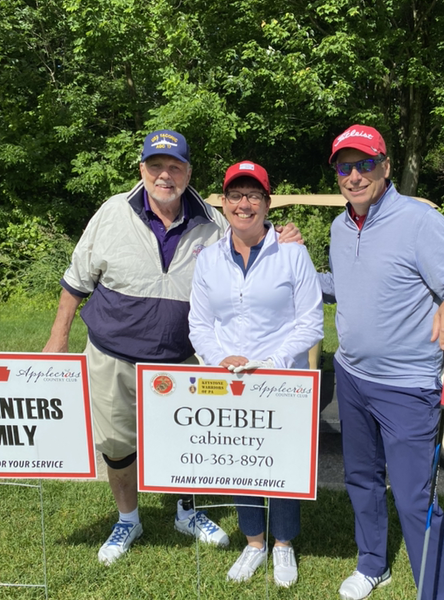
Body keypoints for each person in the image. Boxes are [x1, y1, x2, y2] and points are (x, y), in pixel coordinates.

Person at [43, 130, 302, 566]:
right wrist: (58, 337)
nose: (165, 175)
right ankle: (128, 518)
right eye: (156, 166)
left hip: (182, 359)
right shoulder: (112, 212)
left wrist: (283, 237)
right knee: (117, 444)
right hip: (112, 354)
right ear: (142, 169)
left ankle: (187, 510)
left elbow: (250, 236)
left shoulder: (212, 221)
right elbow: (76, 281)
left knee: (187, 443)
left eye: (175, 167)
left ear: (188, 172)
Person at [320, 125, 444, 600]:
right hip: (352, 376)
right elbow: (341, 284)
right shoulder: (339, 227)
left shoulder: (419, 221)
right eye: (345, 167)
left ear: (386, 167)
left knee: (416, 499)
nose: (355, 176)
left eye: (365, 164)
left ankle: (442, 594)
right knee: (361, 479)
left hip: (407, 386)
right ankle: (372, 564)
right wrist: (288, 269)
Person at [188, 161, 323, 588]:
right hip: (230, 380)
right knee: (241, 459)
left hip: (281, 378)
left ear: (267, 203)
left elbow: (311, 322)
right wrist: (219, 359)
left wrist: (272, 363)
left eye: (253, 196)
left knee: (280, 461)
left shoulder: (292, 253)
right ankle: (254, 542)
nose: (243, 204)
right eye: (235, 195)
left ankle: (282, 544)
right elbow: (199, 324)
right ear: (224, 202)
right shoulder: (209, 258)